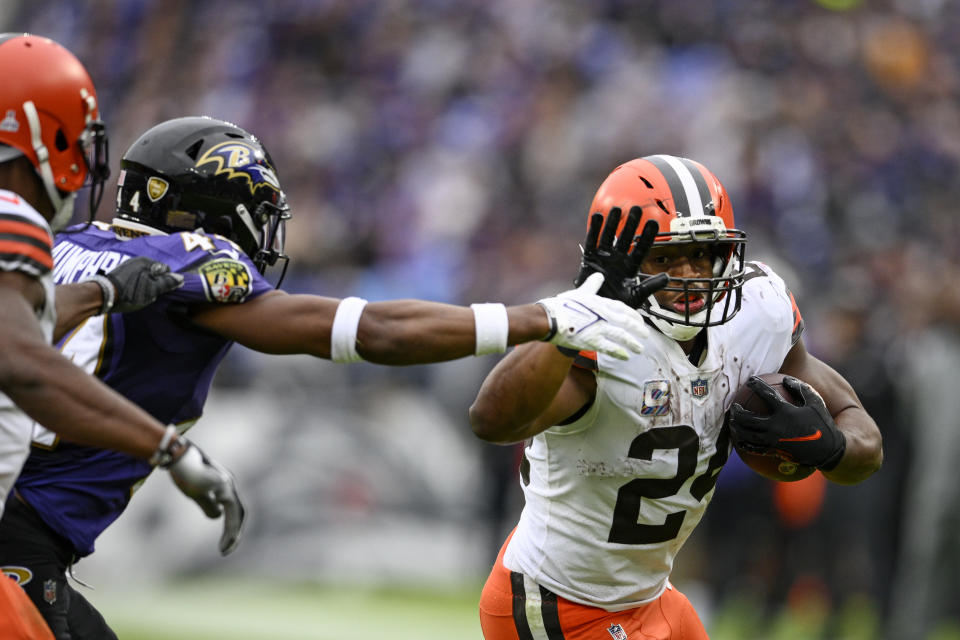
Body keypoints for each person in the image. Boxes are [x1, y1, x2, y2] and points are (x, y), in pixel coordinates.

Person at [0, 114, 653, 639]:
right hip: (22, 536)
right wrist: (534, 318)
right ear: (215, 211)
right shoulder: (190, 262)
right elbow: (369, 332)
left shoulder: (67, 245)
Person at [469, 154, 883, 639]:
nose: (687, 275)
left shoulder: (756, 316)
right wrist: (572, 321)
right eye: (664, 258)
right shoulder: (600, 336)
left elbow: (866, 443)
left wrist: (828, 445)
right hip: (560, 600)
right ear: (622, 260)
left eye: (702, 254)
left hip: (649, 596)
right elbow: (491, 421)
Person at [0, 34, 246, 638]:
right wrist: (173, 451)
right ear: (41, 132)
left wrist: (100, 292)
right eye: (79, 139)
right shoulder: (13, 220)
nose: (86, 160)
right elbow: (23, 363)